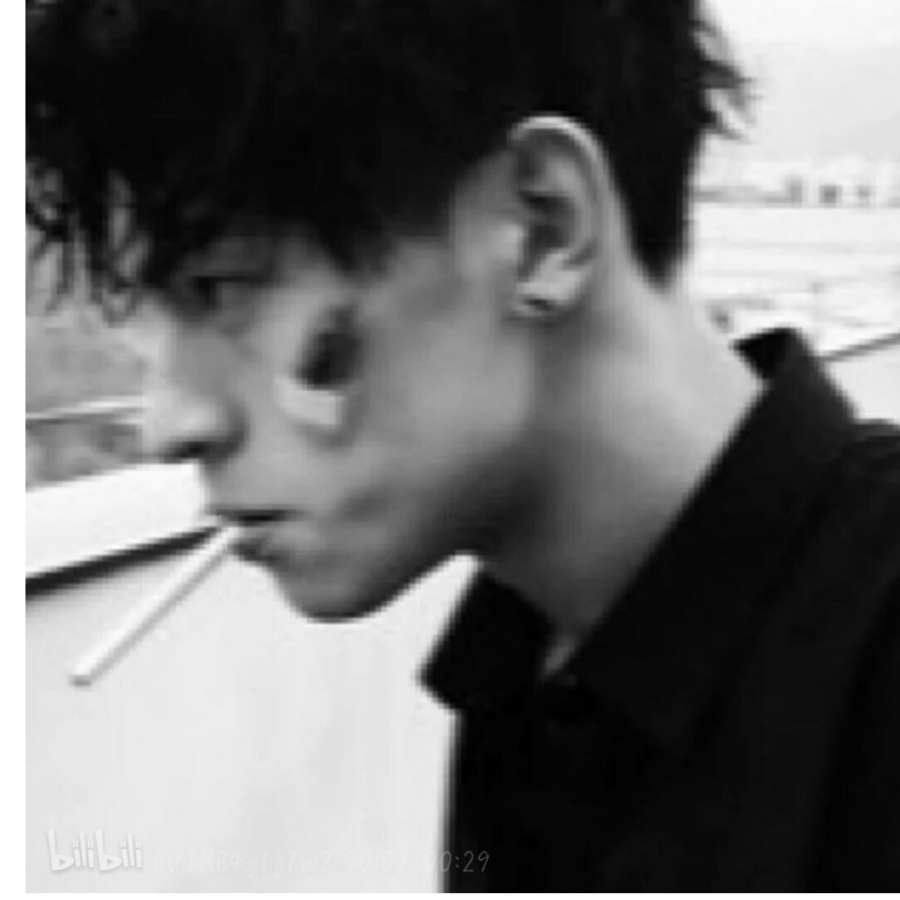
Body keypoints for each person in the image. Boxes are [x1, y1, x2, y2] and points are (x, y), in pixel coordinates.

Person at [25, 0, 899, 892]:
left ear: (542, 228)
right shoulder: (523, 682)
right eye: (146, 324)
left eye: (224, 288)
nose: (170, 425)